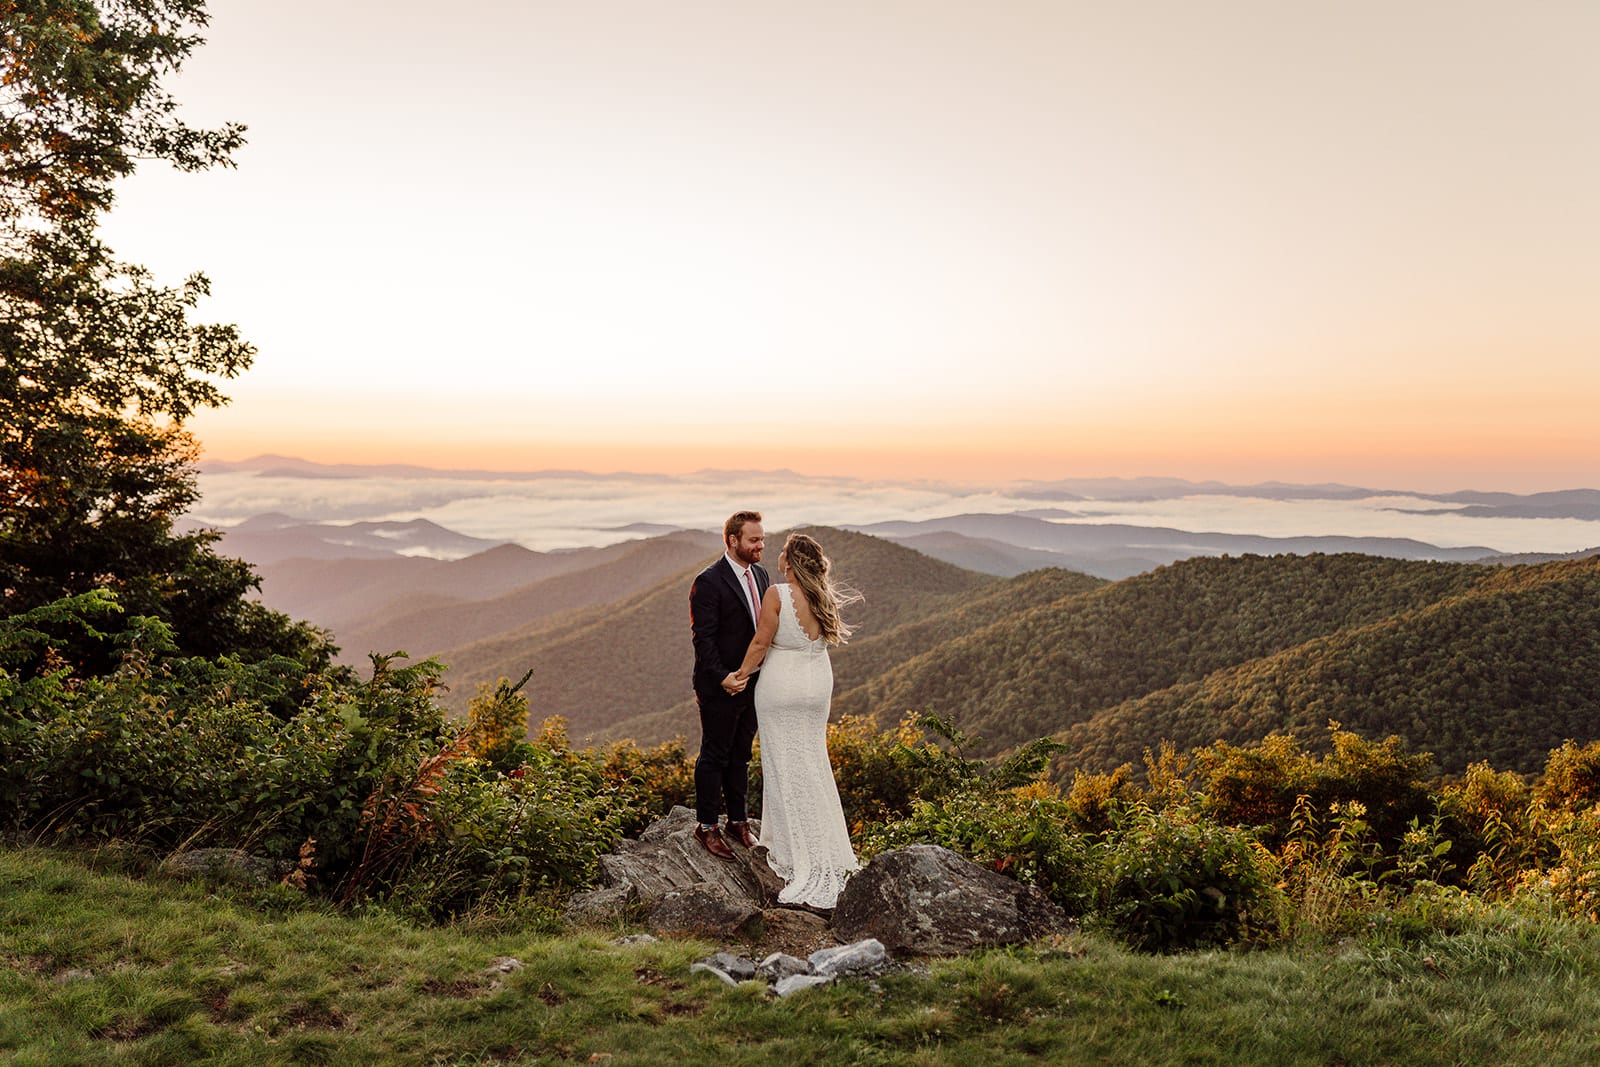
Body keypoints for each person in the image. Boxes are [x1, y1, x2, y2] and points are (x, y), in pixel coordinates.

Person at [728, 531, 861, 909]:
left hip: (782, 686)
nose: (779, 557)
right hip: (817, 685)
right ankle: (824, 846)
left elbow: (761, 642)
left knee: (783, 764)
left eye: (783, 552)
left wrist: (740, 676)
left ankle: (790, 850)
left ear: (790, 562)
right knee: (813, 761)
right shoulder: (825, 596)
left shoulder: (778, 594)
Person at [687, 510, 769, 860]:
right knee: (714, 754)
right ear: (732, 540)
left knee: (741, 754)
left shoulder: (762, 575)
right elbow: (702, 639)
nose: (760, 545)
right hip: (719, 685)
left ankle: (738, 821)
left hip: (753, 684)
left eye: (762, 539)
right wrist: (725, 677)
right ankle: (706, 826)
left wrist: (751, 675)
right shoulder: (709, 581)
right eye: (753, 540)